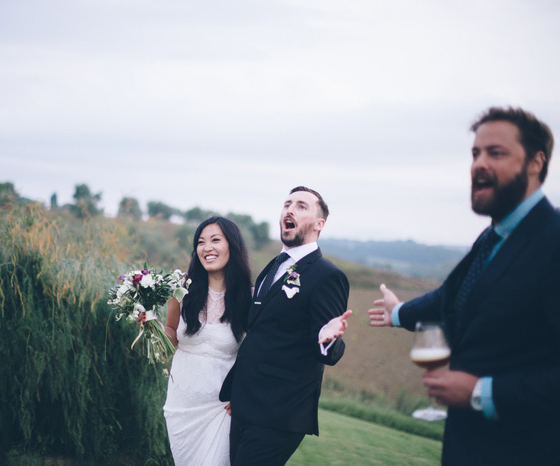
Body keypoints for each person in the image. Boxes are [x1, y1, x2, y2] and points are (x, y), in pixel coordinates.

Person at [368, 107, 560, 465]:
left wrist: (480, 392)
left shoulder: (553, 242)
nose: (479, 163)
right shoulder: (493, 238)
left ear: (536, 162)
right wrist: (398, 313)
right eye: (475, 153)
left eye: (496, 153)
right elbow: (453, 295)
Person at [220, 186, 352, 466]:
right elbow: (260, 328)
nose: (289, 210)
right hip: (245, 404)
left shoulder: (328, 276)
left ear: (320, 224)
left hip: (279, 414)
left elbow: (328, 350)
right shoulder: (274, 266)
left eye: (302, 206)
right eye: (287, 204)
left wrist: (327, 338)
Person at [162, 216, 253, 466]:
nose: (207, 247)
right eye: (201, 242)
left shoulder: (250, 298)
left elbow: (255, 355)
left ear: (232, 246)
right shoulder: (181, 288)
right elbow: (172, 333)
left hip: (221, 408)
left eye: (215, 240)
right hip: (182, 404)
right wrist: (151, 325)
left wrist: (243, 393)